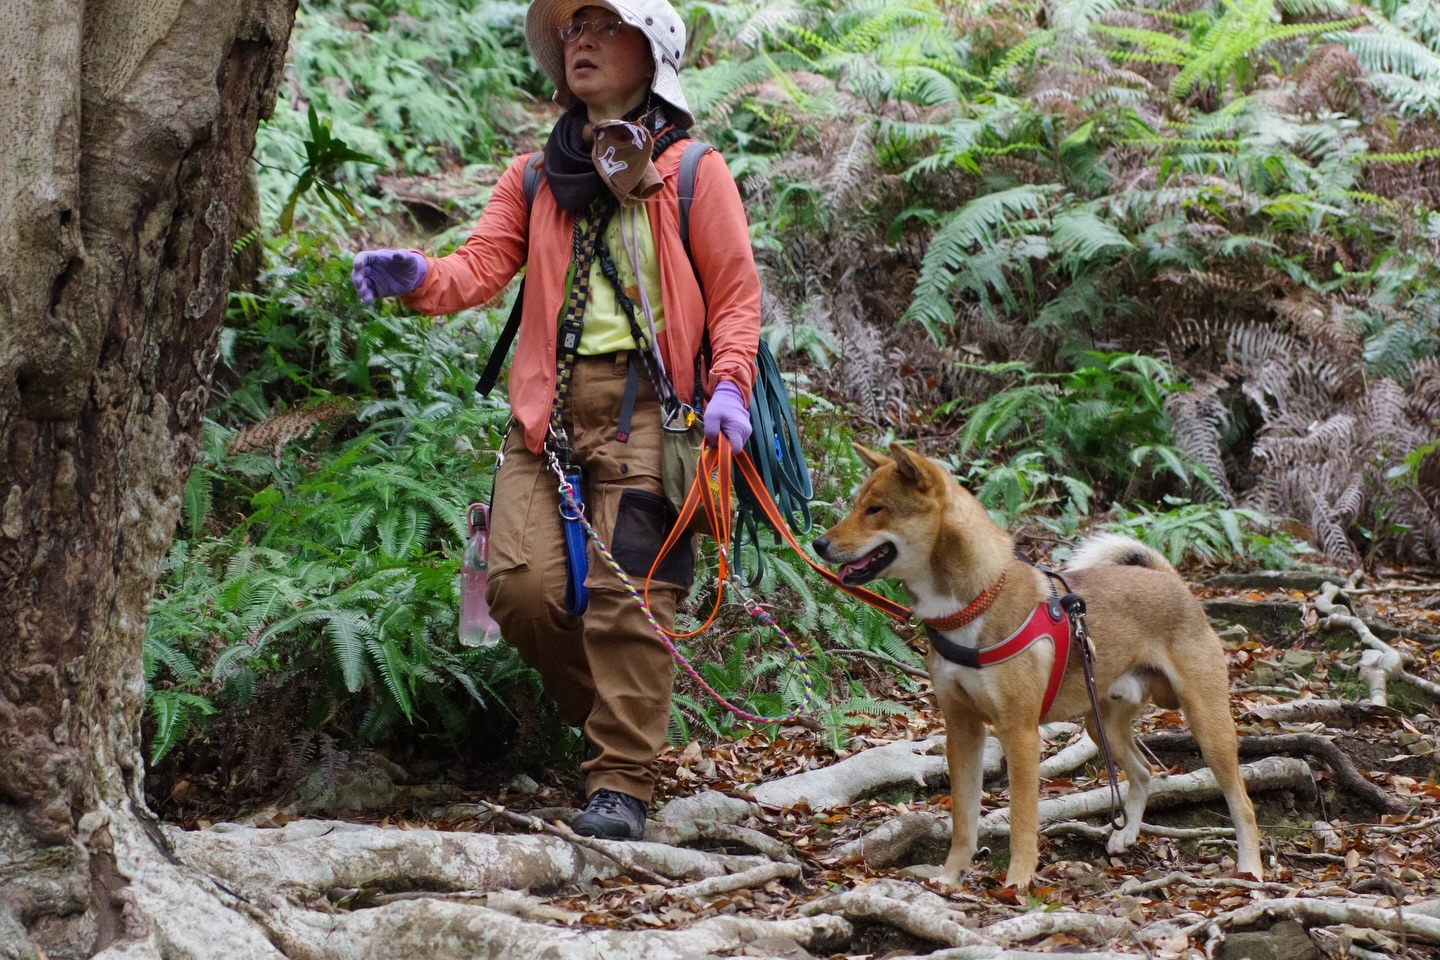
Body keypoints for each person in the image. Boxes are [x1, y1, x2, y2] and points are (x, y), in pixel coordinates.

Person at [351, 0, 760, 840]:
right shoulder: (535, 177)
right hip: (548, 415)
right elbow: (477, 268)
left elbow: (736, 295)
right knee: (522, 591)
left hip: (656, 411)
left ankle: (622, 779)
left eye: (603, 26)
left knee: (630, 601)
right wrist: (416, 275)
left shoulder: (692, 171)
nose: (581, 42)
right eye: (572, 29)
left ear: (650, 52)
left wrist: (730, 387)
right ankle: (623, 732)